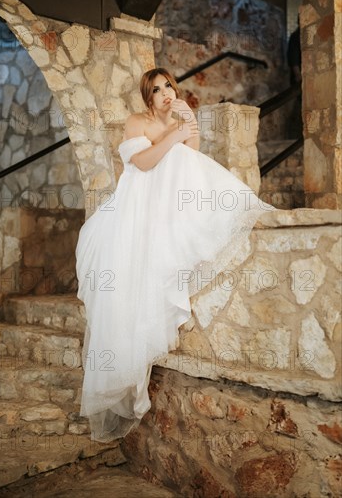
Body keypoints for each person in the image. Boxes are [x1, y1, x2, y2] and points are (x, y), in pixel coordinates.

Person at [75, 67, 277, 443]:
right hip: (138, 206)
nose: (166, 93)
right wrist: (174, 134)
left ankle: (222, 214)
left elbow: (191, 161)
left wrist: (187, 127)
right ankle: (122, 373)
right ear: (147, 97)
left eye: (168, 85)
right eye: (157, 89)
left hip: (172, 201)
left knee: (189, 162)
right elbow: (143, 163)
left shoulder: (181, 115)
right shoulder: (137, 122)